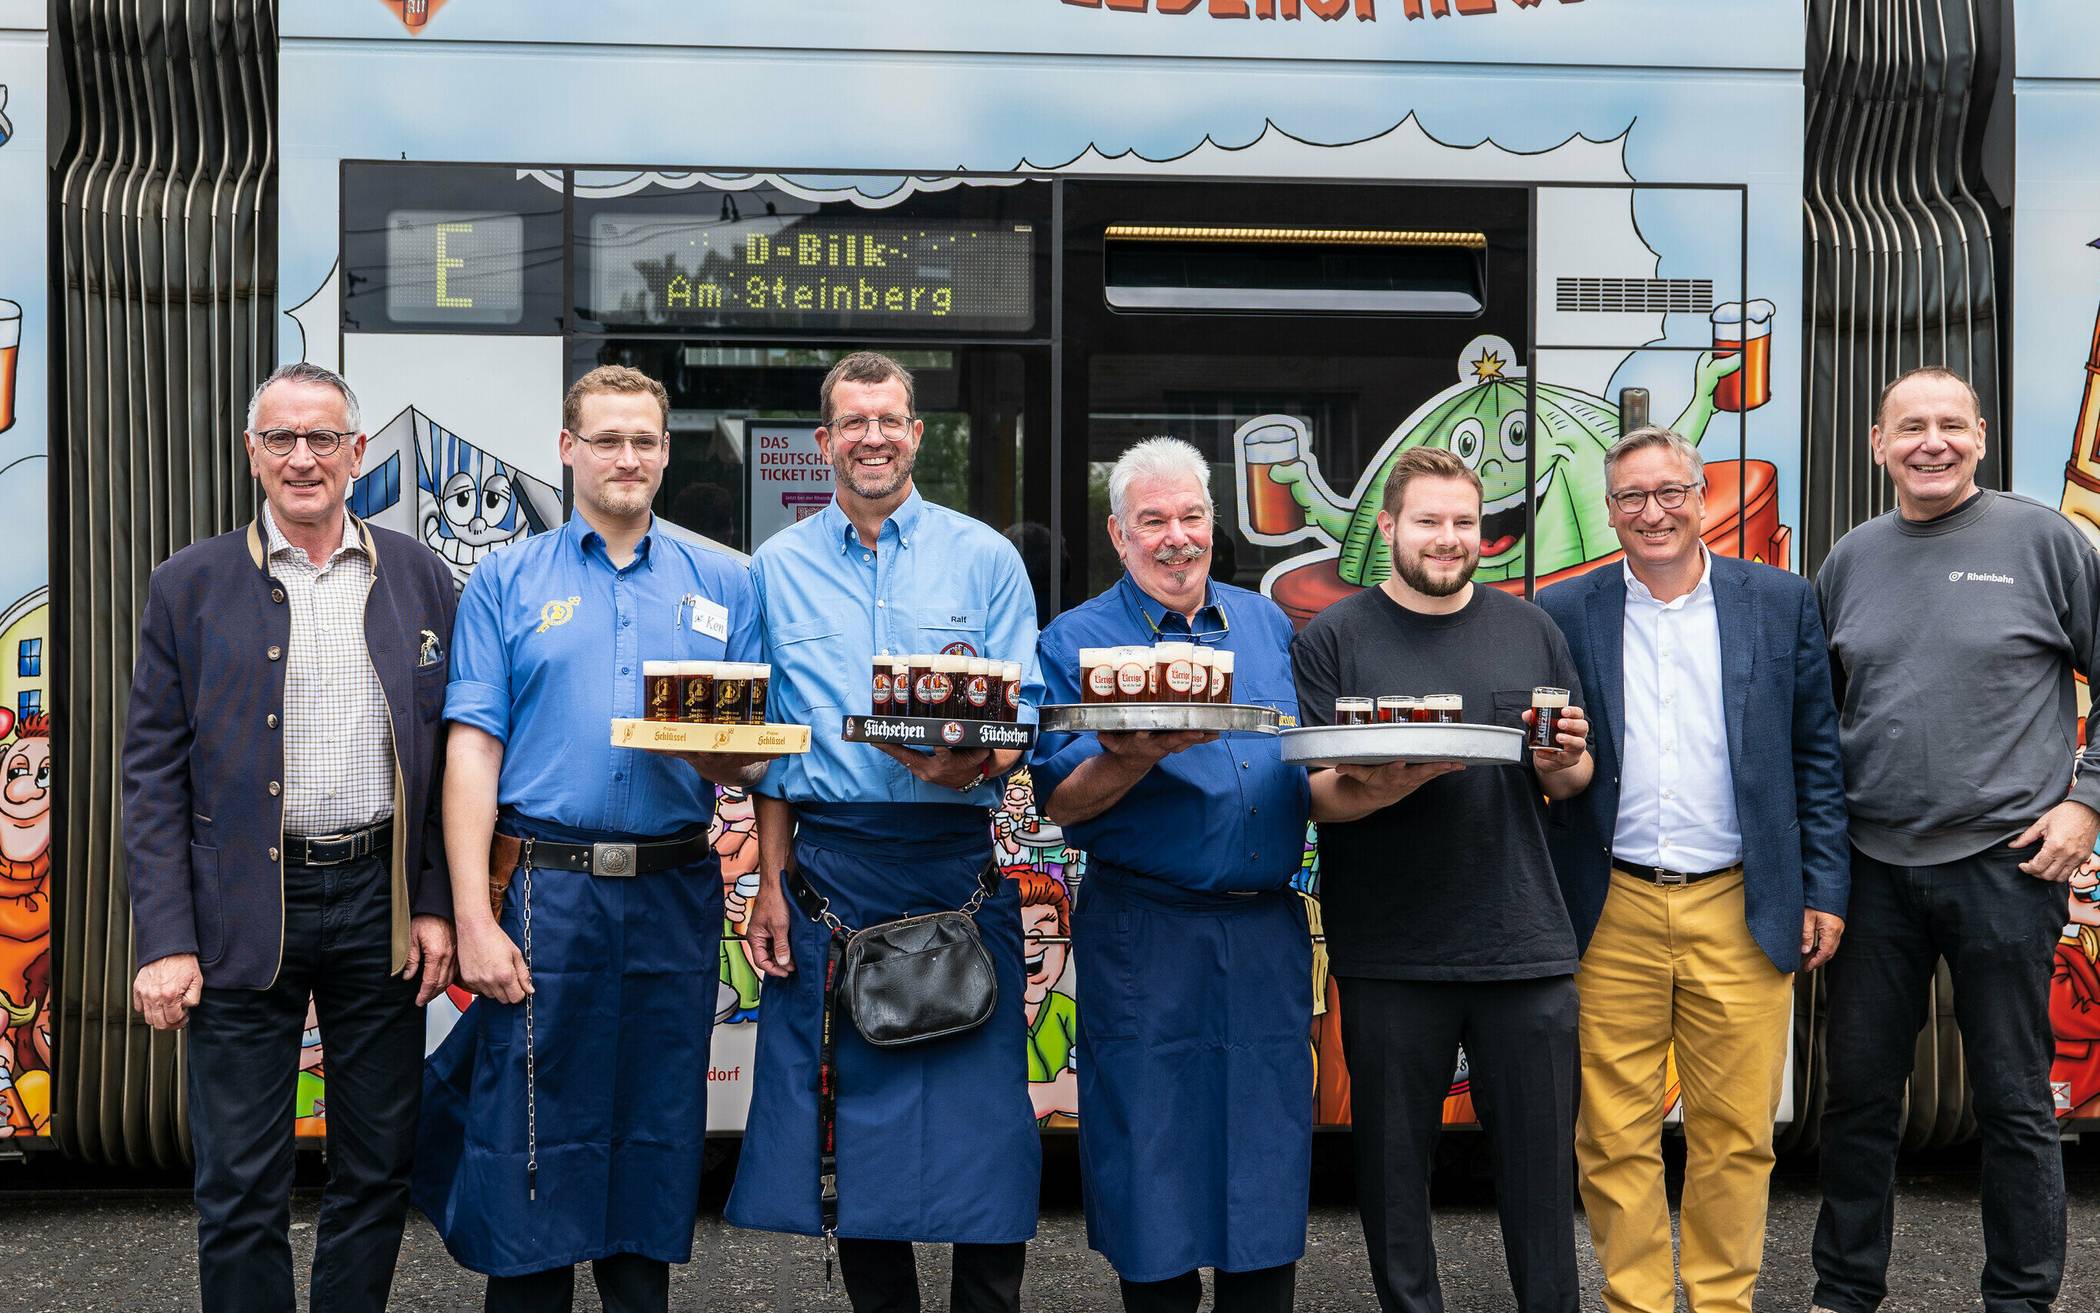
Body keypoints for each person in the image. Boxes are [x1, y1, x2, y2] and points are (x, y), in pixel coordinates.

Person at [410, 364, 769, 1313]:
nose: (628, 457)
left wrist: (737, 765)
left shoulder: (727, 581)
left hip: (674, 889)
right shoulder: (504, 579)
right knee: (527, 1125)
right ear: (568, 450)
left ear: (665, 451)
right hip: (543, 889)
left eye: (645, 440)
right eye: (606, 439)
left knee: (654, 1129)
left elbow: (749, 758)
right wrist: (476, 917)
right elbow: (472, 756)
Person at [122, 361, 458, 1313]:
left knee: (376, 1168)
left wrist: (431, 903)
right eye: (282, 438)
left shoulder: (423, 577)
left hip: (376, 904)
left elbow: (452, 761)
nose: (303, 458)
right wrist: (166, 938)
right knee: (237, 1185)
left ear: (356, 453)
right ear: (252, 453)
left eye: (323, 438)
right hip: (238, 912)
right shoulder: (186, 585)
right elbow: (149, 775)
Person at [726, 350, 1041, 1313]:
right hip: (829, 874)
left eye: (889, 419)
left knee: (989, 1138)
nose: (872, 436)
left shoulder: (986, 557)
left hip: (959, 870)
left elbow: (1017, 729)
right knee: (852, 1138)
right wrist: (770, 882)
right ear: (824, 441)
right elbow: (775, 754)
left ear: (916, 434)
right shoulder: (773, 570)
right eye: (852, 421)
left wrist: (977, 763)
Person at [1536, 426, 1849, 1313]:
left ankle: (1719, 1302)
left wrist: (1823, 885)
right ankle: (1636, 1302)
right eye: (1632, 497)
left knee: (1739, 1134)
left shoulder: (1780, 602)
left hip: (1743, 902)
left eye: (1670, 491)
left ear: (1702, 497)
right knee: (1610, 1133)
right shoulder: (1566, 611)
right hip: (1612, 902)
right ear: (1610, 512)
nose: (1653, 511)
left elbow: (1816, 757)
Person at [1810, 366, 2095, 1313]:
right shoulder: (1849, 559)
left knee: (2015, 1103)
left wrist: (2086, 803)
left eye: (1950, 425)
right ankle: (1845, 1290)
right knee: (1856, 1101)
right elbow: (1822, 717)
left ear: (1979, 436)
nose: (1931, 442)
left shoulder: (2044, 542)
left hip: (2007, 866)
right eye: (1910, 427)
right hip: (1871, 868)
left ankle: (2020, 1299)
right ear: (1878, 445)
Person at [1291, 445, 1593, 1313]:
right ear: (1388, 526)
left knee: (1542, 1180)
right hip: (1389, 947)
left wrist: (1562, 759)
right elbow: (1315, 796)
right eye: (1428, 520)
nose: (1449, 537)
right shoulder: (1333, 638)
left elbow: (1570, 779)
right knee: (1392, 1182)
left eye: (1464, 521)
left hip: (1525, 943)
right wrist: (1392, 779)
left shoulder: (1530, 626)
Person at [1029, 437, 1312, 1313]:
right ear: (1119, 534)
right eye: (1154, 520)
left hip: (1265, 928)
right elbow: (1062, 802)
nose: (1176, 537)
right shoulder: (1074, 640)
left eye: (1191, 516)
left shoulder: (1267, 624)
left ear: (1214, 527)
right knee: (1149, 1150)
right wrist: (1135, 754)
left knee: (1266, 1149)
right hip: (1143, 930)